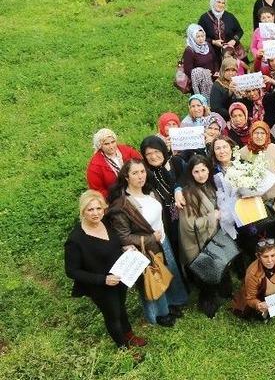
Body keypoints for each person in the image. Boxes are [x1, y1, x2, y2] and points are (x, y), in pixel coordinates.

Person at [107, 159, 188, 327]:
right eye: (135, 173)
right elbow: (123, 237)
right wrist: (152, 239)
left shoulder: (150, 192)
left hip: (162, 242)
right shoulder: (122, 205)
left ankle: (170, 306)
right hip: (145, 249)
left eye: (142, 172)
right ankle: (159, 316)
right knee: (152, 282)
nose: (140, 176)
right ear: (126, 177)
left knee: (165, 275)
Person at [65, 190, 145, 349]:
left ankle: (129, 335)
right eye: (90, 209)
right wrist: (103, 279)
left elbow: (113, 246)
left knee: (121, 308)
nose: (95, 213)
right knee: (113, 315)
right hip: (100, 285)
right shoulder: (76, 239)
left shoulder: (106, 223)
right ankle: (124, 348)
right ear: (83, 211)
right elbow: (71, 271)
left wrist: (126, 248)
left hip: (119, 277)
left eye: (98, 208)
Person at [178, 155, 226, 318]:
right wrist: (213, 217)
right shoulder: (188, 193)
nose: (201, 174)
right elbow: (190, 226)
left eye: (203, 170)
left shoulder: (211, 185)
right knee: (205, 277)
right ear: (190, 173)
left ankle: (218, 294)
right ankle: (206, 303)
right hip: (199, 245)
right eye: (196, 171)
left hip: (215, 238)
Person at [239, 122, 275, 241]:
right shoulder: (243, 153)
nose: (259, 136)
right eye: (256, 133)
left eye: (262, 133)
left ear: (267, 134)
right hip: (259, 200)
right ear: (251, 134)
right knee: (267, 232)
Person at [139, 135, 185, 261]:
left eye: (157, 151)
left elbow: (186, 178)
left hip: (185, 209)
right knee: (175, 245)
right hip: (166, 218)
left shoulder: (175, 162)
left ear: (163, 150)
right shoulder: (145, 173)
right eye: (148, 153)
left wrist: (178, 189)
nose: (153, 156)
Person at [87, 128, 142, 199]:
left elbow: (141, 164)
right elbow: (97, 190)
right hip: (117, 197)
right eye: (106, 144)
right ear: (100, 146)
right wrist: (115, 197)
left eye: (113, 142)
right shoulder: (95, 165)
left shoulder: (127, 151)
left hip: (138, 187)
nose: (111, 146)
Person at [198, 0, 246, 66]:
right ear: (213, 2)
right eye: (218, 2)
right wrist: (213, 42)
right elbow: (199, 36)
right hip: (213, 51)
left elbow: (239, 31)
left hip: (231, 50)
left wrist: (234, 40)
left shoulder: (229, 16)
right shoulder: (204, 18)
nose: (221, 5)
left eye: (223, 3)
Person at [182, 23, 216, 98]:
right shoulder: (189, 51)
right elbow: (188, 71)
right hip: (199, 84)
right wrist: (204, 74)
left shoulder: (207, 45)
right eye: (197, 37)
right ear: (192, 37)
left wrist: (215, 72)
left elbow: (214, 60)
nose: (201, 39)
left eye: (202, 36)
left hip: (212, 79)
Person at [209, 56, 242, 121]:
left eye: (233, 70)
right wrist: (229, 93)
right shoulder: (217, 86)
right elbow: (216, 108)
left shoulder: (239, 82)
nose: (231, 73)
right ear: (222, 70)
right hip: (224, 120)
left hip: (240, 117)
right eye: (227, 70)